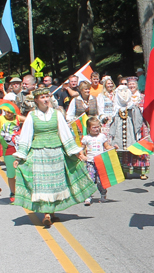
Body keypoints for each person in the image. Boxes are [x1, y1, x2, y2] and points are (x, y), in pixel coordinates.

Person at [12, 88, 96, 227]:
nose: (46, 99)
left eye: (47, 96)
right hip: (39, 153)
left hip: (56, 153)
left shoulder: (57, 115)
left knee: (55, 184)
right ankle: (46, 214)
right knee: (42, 183)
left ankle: (52, 212)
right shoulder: (31, 116)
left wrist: (78, 153)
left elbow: (65, 134)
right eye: (42, 97)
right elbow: (25, 138)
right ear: (36, 100)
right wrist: (19, 157)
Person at [109, 85, 149, 179]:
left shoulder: (132, 105)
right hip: (118, 129)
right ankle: (121, 171)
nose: (123, 94)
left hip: (131, 128)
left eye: (125, 91)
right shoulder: (115, 105)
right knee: (119, 149)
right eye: (121, 91)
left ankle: (139, 171)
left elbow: (138, 118)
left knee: (134, 149)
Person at [81, 117, 115, 205]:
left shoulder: (102, 136)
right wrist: (82, 155)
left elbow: (107, 146)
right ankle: (88, 196)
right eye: (94, 127)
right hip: (90, 162)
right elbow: (81, 148)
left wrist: (113, 148)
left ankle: (103, 194)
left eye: (98, 127)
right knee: (90, 180)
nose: (97, 129)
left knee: (101, 181)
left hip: (100, 162)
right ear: (89, 128)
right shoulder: (86, 138)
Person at [0, 101, 21, 202]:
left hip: (19, 146)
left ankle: (22, 192)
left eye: (11, 112)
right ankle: (13, 192)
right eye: (7, 112)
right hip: (7, 147)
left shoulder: (17, 118)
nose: (9, 114)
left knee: (22, 171)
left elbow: (31, 119)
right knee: (11, 172)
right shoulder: (1, 119)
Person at [97, 76, 116, 143]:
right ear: (105, 85)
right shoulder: (101, 95)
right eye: (108, 83)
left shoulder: (115, 94)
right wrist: (103, 117)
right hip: (106, 118)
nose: (110, 85)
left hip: (115, 117)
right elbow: (100, 108)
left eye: (111, 83)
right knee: (106, 137)